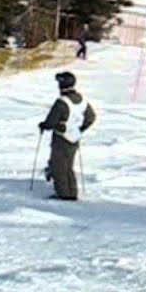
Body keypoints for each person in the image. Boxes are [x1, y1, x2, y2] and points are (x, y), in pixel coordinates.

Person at [38, 71, 96, 200]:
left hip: (61, 137)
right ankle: (72, 192)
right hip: (74, 138)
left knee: (58, 166)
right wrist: (80, 129)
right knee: (69, 166)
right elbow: (91, 117)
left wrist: (43, 125)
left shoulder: (62, 102)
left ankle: (64, 195)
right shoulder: (82, 100)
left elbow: (51, 122)